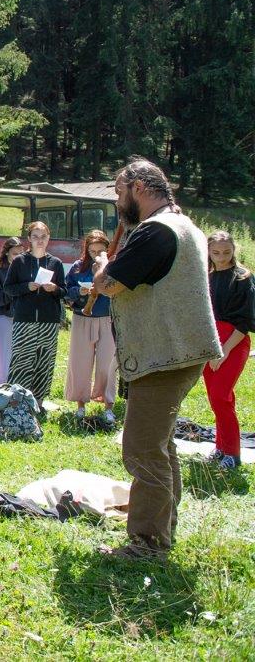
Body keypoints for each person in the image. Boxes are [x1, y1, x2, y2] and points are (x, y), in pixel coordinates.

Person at [91, 157, 221, 561]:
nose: (117, 201)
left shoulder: (155, 231)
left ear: (140, 188)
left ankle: (148, 545)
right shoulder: (185, 227)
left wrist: (100, 266)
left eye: (119, 191)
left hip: (164, 353)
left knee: (143, 448)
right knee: (160, 445)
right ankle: (164, 527)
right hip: (181, 350)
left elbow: (110, 285)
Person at [200, 231, 253, 469]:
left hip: (233, 341)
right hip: (209, 341)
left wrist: (223, 350)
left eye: (226, 252)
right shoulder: (205, 276)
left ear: (234, 250)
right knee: (216, 399)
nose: (221, 257)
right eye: (216, 253)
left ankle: (232, 453)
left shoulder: (243, 278)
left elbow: (245, 322)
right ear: (209, 252)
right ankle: (220, 448)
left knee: (222, 395)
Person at [3, 221, 65, 403]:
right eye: (35, 237)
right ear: (29, 239)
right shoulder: (19, 261)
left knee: (43, 360)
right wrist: (26, 286)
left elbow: (65, 291)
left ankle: (38, 401)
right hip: (24, 319)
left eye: (43, 237)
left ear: (48, 238)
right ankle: (16, 399)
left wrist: (54, 288)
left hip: (49, 320)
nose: (40, 240)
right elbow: (8, 288)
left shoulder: (56, 263)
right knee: (22, 359)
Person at [63, 230, 116, 423]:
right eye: (92, 251)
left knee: (107, 364)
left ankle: (108, 404)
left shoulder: (113, 267)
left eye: (100, 251)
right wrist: (80, 291)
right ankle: (80, 404)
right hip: (82, 318)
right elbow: (67, 291)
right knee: (80, 362)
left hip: (107, 318)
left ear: (107, 250)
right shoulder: (78, 267)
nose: (96, 254)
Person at [0, 237, 25, 385]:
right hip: (4, 315)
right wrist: (15, 289)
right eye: (15, 254)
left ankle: (18, 382)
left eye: (21, 254)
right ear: (7, 253)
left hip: (22, 316)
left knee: (20, 351)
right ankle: (1, 383)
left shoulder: (25, 271)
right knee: (3, 351)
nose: (18, 258)